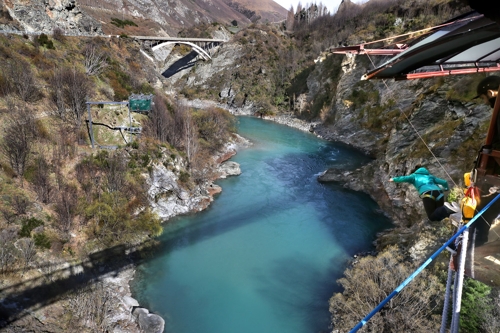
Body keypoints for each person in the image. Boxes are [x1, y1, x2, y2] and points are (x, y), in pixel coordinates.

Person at [389, 165, 459, 221]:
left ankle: (446, 207)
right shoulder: (430, 176)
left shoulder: (414, 176)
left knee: (431, 217)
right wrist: (446, 188)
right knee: (438, 215)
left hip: (428, 194)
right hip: (439, 193)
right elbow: (444, 182)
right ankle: (453, 211)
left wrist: (393, 179)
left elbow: (404, 178)